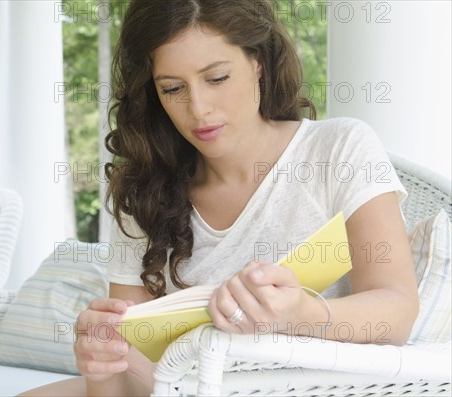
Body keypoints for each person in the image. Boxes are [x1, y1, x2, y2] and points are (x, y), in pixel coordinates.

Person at [22, 0, 418, 395]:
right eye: (172, 88)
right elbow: (136, 383)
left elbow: (397, 309)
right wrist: (103, 366)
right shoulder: (143, 191)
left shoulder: (339, 148)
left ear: (257, 62)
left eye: (217, 78)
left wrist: (300, 314)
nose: (198, 109)